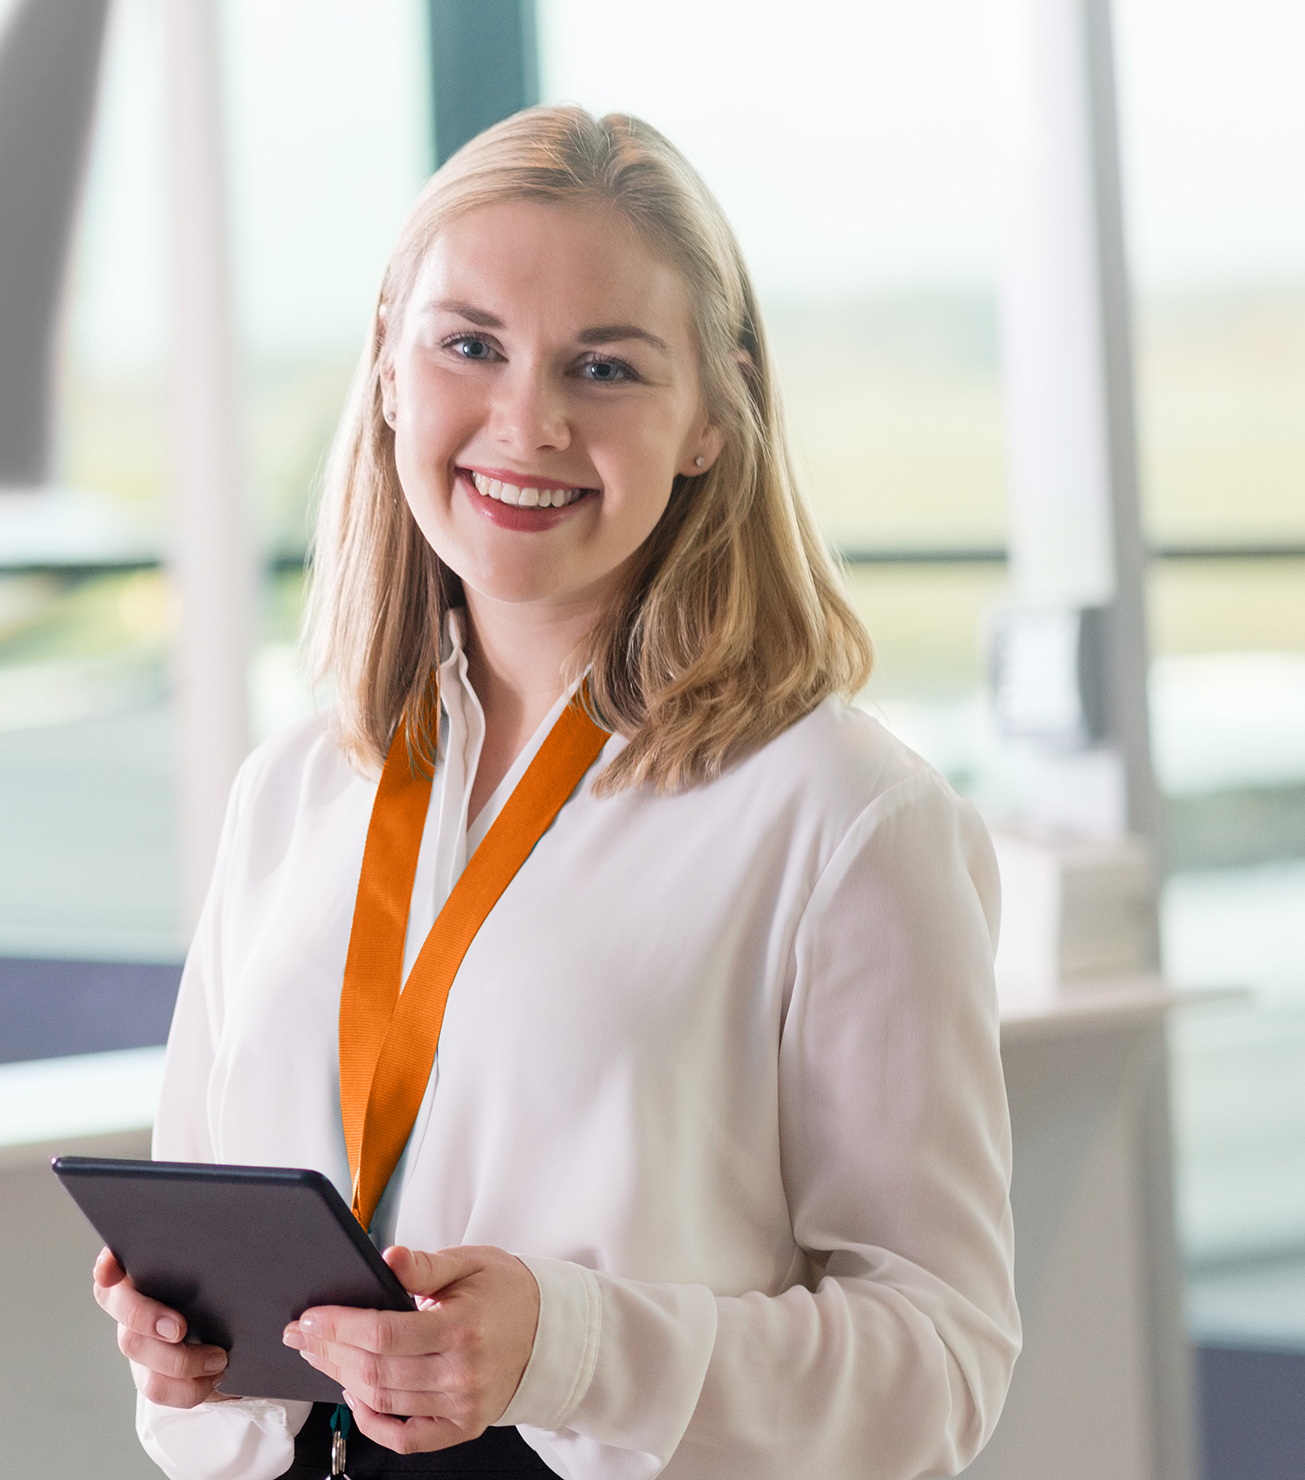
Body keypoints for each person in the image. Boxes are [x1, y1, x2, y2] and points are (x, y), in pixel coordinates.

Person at [92, 106, 1020, 1480]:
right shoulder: (292, 792)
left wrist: (565, 1354)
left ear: (714, 416)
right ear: (391, 369)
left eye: (606, 367)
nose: (527, 422)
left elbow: (941, 1368)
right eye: (471, 346)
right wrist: (190, 1356)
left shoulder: (842, 817)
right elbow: (192, 1365)